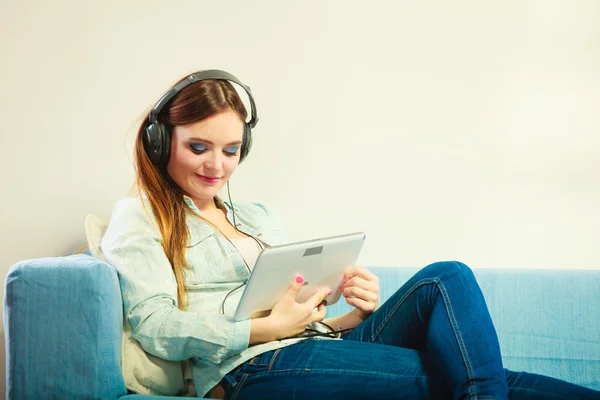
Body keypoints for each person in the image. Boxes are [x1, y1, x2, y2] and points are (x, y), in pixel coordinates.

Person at [101, 69, 600, 400]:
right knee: (465, 374)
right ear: (161, 139)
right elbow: (155, 324)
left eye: (231, 150)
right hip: (247, 369)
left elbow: (299, 317)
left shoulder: (254, 215)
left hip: (307, 347)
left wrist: (350, 317)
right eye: (199, 147)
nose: (217, 165)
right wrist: (263, 330)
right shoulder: (140, 217)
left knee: (448, 280)